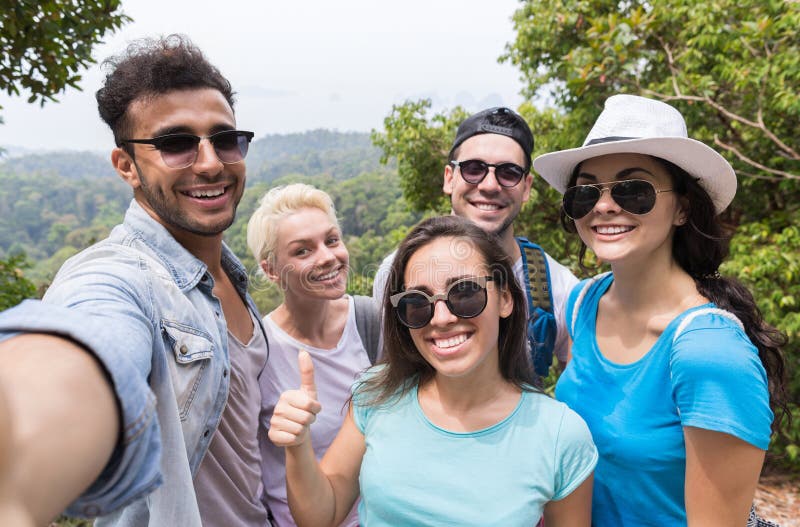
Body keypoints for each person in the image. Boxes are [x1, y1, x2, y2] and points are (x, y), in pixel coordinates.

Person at [0, 35, 271, 526]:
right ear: (126, 165)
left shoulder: (232, 277)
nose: (211, 162)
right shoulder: (120, 278)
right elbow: (91, 343)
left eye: (225, 138)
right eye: (176, 143)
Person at [533, 94, 789, 525]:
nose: (604, 205)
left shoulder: (708, 352)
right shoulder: (583, 304)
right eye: (585, 191)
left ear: (683, 208)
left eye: (633, 189)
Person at [270, 215, 598, 527]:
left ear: (505, 299)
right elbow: (321, 515)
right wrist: (298, 446)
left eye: (465, 293)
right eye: (417, 302)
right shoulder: (377, 394)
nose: (440, 318)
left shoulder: (559, 435)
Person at [372, 107, 578, 378]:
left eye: (509, 173)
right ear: (449, 178)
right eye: (473, 169)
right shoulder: (398, 274)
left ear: (526, 187)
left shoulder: (559, 288)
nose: (490, 185)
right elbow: (391, 373)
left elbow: (579, 393)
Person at [246, 183, 379, 526]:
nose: (327, 257)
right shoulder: (257, 351)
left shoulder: (372, 322)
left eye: (332, 240)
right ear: (272, 270)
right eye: (302, 251)